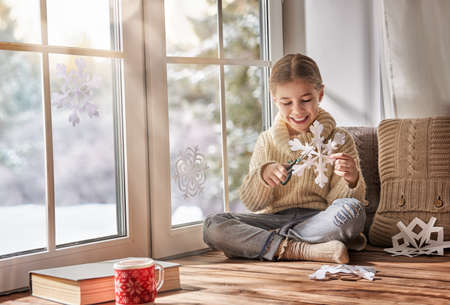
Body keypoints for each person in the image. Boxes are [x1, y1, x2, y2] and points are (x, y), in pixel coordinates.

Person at [203, 53, 367, 263]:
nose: (297, 110)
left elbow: (340, 202)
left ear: (321, 93)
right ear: (274, 100)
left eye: (306, 100)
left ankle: (266, 244)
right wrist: (263, 177)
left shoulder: (339, 139)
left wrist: (351, 179)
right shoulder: (266, 141)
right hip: (272, 220)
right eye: (286, 102)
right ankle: (303, 250)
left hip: (318, 219)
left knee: (353, 211)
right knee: (213, 225)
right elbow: (252, 203)